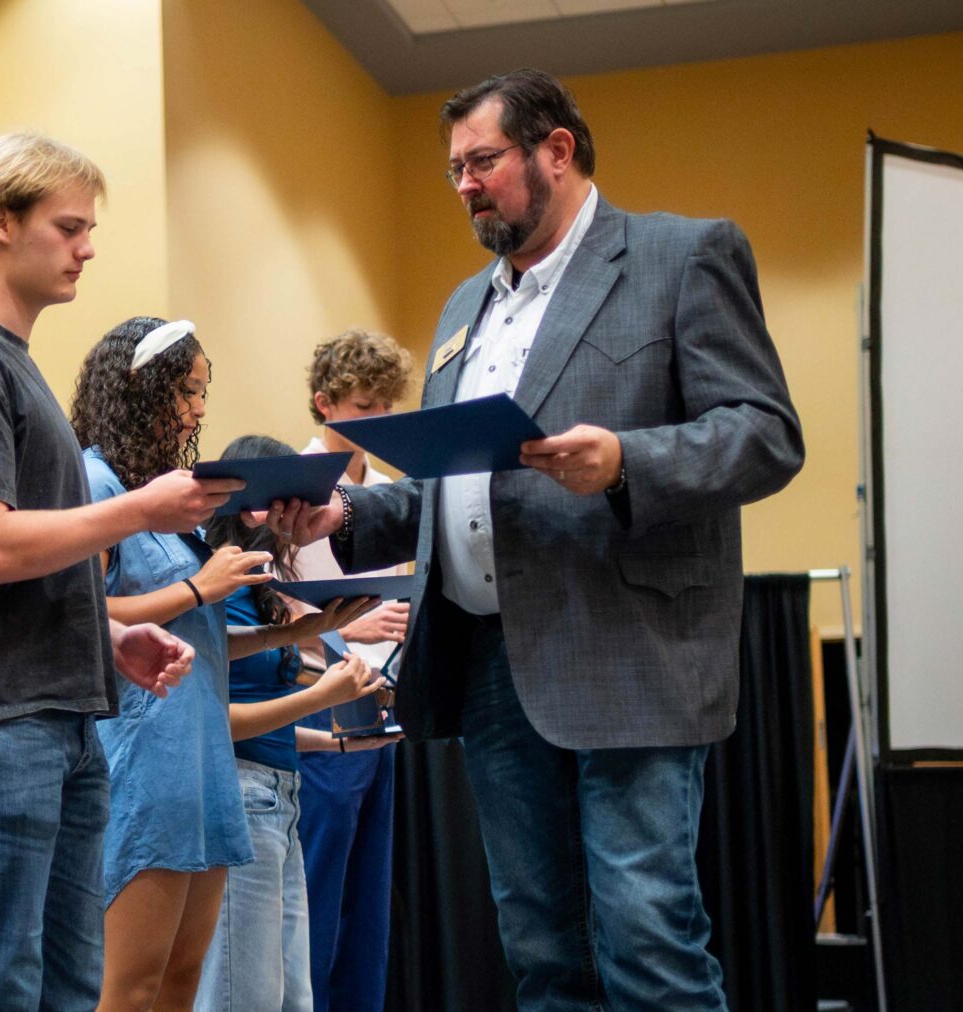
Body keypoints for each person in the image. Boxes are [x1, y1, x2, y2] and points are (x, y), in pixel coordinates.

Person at [273, 68, 803, 1009]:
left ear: (557, 150)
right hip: (490, 667)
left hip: (629, 655)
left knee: (648, 939)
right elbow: (454, 494)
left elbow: (765, 434)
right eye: (454, 171)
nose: (466, 186)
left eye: (483, 162)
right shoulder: (458, 313)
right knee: (541, 952)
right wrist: (345, 516)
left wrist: (628, 460)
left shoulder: (682, 258)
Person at [0, 135, 233, 1012]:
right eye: (69, 226)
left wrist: (107, 631)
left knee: (67, 994)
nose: (87, 247)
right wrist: (142, 510)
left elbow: (18, 557)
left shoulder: (13, 364)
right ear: (0, 224)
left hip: (58, 720)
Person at [70, 321, 376, 1012]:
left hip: (205, 766)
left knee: (182, 985)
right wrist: (200, 587)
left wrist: (308, 630)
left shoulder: (170, 503)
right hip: (144, 758)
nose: (199, 411)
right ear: (137, 390)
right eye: (186, 391)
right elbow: (83, 616)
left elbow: (198, 637)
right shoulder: (95, 481)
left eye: (203, 393)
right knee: (131, 987)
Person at [195, 434, 397, 1012]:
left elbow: (273, 725)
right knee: (243, 997)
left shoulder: (265, 595)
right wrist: (322, 696)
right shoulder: (221, 591)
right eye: (291, 507)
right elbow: (216, 721)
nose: (300, 522)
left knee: (292, 998)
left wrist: (343, 743)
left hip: (281, 798)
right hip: (241, 796)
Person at [289, 330, 415, 1012]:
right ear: (325, 404)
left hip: (380, 692)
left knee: (369, 894)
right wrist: (342, 624)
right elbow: (263, 594)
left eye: (386, 406)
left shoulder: (392, 490)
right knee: (318, 887)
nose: (380, 420)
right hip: (317, 696)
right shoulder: (292, 484)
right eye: (365, 405)